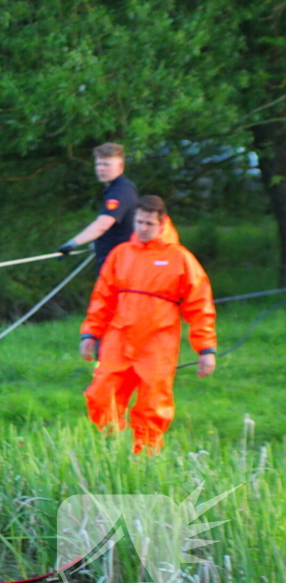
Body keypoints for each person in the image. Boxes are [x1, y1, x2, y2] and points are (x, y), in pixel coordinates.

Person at [79, 196, 217, 455]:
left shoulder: (180, 258)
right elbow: (102, 297)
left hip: (158, 341)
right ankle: (111, 449)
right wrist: (90, 333)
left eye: (149, 223)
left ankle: (146, 456)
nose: (143, 228)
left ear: (162, 222)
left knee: (153, 402)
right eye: (139, 222)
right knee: (101, 394)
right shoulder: (121, 254)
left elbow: (200, 306)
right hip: (119, 337)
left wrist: (205, 349)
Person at [57, 143, 139, 274]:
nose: (100, 169)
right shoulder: (113, 188)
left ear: (120, 166)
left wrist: (72, 243)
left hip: (119, 266)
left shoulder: (120, 191)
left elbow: (103, 224)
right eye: (98, 164)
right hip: (112, 263)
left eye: (106, 165)